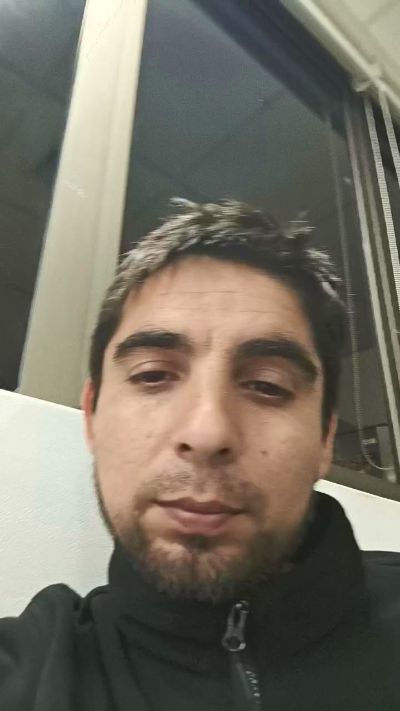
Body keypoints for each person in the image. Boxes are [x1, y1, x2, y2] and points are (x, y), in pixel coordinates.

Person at [1, 199, 400, 711]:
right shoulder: (32, 672)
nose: (207, 432)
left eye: (267, 385)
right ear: (92, 417)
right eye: (152, 375)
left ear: (325, 438)